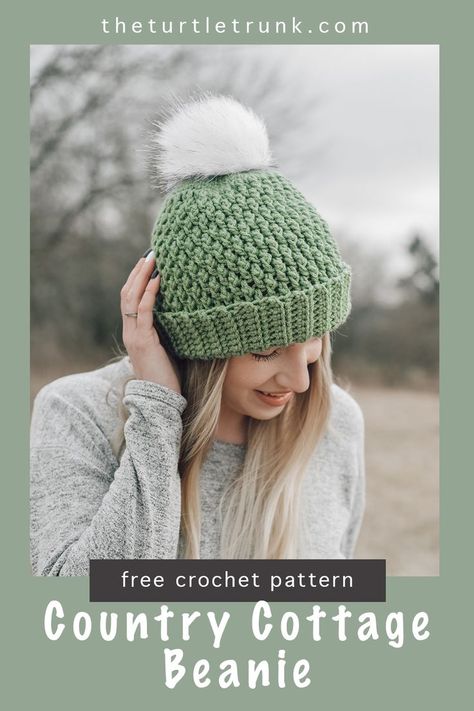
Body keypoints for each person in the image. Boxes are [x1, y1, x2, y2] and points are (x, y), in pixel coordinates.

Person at [30, 94, 365, 575]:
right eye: (265, 349)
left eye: (313, 339)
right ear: (195, 346)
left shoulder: (337, 424)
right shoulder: (80, 414)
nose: (301, 381)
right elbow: (73, 613)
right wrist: (158, 414)